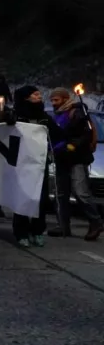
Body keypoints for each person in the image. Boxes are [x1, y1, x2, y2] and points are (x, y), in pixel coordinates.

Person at [48, 87, 102, 241]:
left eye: (56, 100)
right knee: (60, 194)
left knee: (81, 192)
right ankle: (63, 225)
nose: (54, 103)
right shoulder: (56, 116)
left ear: (65, 99)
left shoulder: (77, 112)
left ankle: (96, 222)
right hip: (61, 158)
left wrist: (71, 145)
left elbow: (85, 134)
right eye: (52, 100)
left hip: (77, 158)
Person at [11, 86, 50, 247]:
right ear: (26, 98)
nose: (39, 96)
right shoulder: (16, 115)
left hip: (40, 164)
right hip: (22, 163)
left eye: (39, 94)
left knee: (40, 198)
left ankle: (38, 230)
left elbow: (57, 134)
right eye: (35, 94)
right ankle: (21, 232)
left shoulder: (44, 116)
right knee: (23, 196)